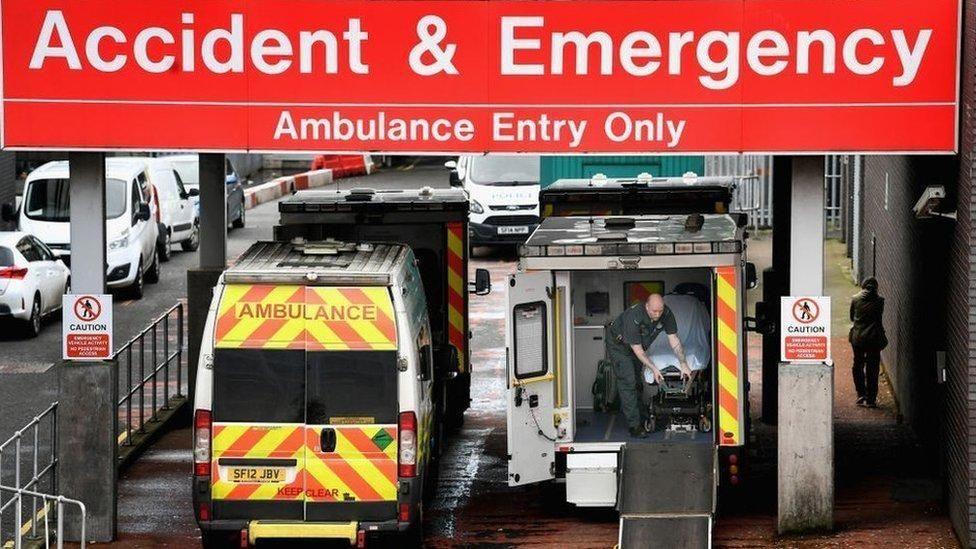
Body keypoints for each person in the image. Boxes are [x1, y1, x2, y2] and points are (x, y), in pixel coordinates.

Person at [607, 293, 692, 438]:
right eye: (654, 311)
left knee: (638, 383)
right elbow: (638, 350)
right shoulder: (634, 316)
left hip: (637, 347)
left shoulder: (666, 313)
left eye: (660, 311)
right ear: (647, 306)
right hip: (619, 347)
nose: (658, 315)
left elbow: (674, 339)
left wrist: (683, 364)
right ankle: (634, 426)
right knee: (628, 382)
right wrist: (654, 368)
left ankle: (642, 415)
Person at [849, 277, 887, 408]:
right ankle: (871, 398)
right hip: (874, 339)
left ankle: (861, 393)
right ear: (876, 287)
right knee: (873, 367)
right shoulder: (880, 301)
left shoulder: (855, 299)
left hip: (858, 338)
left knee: (858, 364)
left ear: (863, 286)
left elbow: (851, 317)